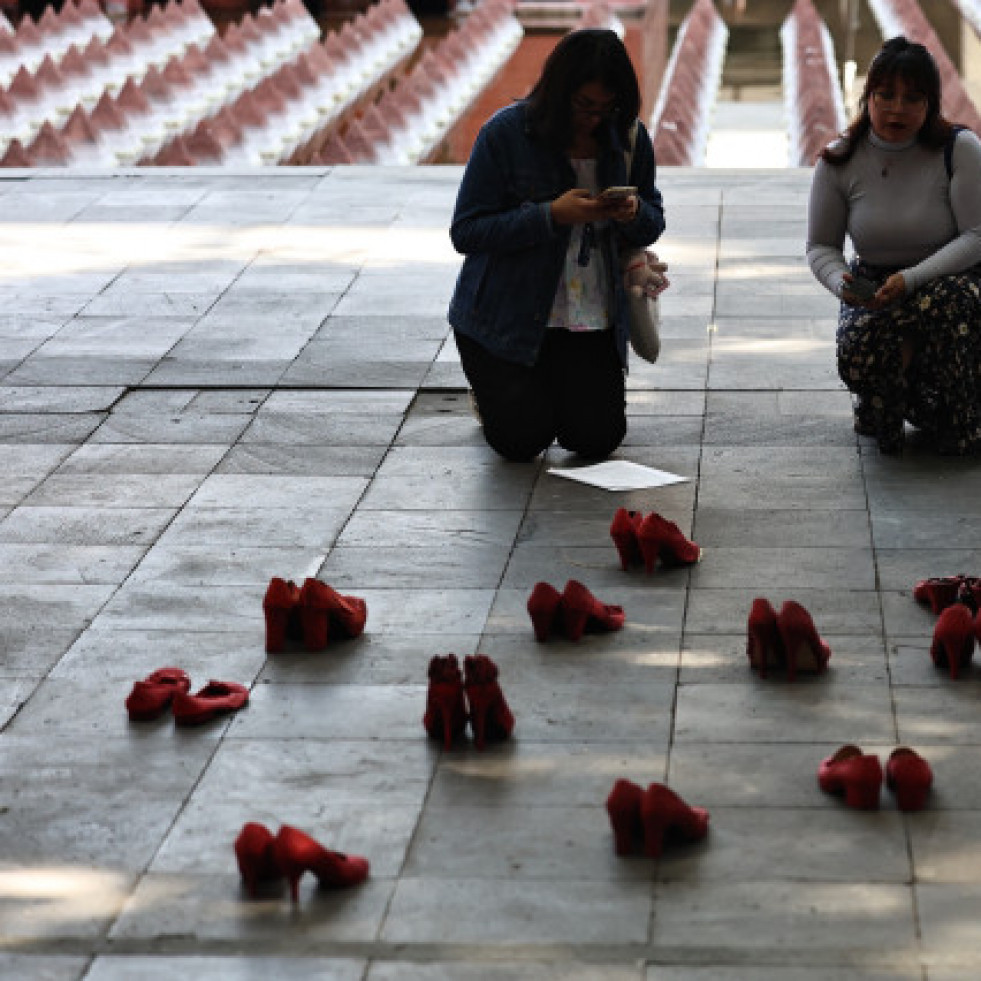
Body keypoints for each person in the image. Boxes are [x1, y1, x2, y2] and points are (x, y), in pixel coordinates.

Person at [447, 29, 665, 462]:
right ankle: (494, 392)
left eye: (608, 108)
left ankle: (545, 389)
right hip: (508, 318)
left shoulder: (630, 138)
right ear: (559, 92)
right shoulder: (505, 135)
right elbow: (466, 231)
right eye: (585, 106)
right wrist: (550, 216)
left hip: (588, 314)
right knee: (521, 442)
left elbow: (654, 220)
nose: (595, 120)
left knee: (595, 439)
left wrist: (634, 212)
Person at [806, 36, 981, 455]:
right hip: (874, 284)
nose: (897, 109)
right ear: (867, 97)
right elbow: (820, 247)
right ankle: (890, 395)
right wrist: (841, 283)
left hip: (950, 278)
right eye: (885, 95)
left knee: (946, 303)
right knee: (858, 355)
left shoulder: (959, 150)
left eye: (912, 98)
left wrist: (912, 279)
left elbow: (977, 236)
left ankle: (947, 411)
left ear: (931, 104)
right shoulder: (840, 159)